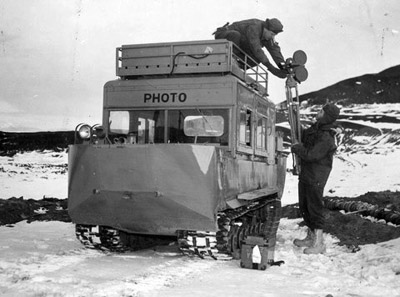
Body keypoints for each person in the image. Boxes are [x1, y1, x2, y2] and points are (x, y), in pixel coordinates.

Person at [291, 103, 341, 254]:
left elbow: (311, 155)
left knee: (314, 207)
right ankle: (311, 237)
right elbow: (304, 135)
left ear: (326, 115)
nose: (318, 112)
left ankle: (319, 243)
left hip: (316, 176)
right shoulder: (317, 129)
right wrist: (294, 118)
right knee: (305, 206)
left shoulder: (327, 137)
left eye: (321, 111)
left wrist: (297, 147)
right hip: (307, 173)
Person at [213, 18, 287, 79]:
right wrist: (271, 68)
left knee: (256, 59)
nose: (272, 37)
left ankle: (238, 66)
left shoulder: (267, 35)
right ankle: (232, 60)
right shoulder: (255, 27)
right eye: (272, 34)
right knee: (235, 35)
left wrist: (283, 67)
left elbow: (275, 50)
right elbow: (256, 49)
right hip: (224, 35)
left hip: (239, 45)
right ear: (266, 29)